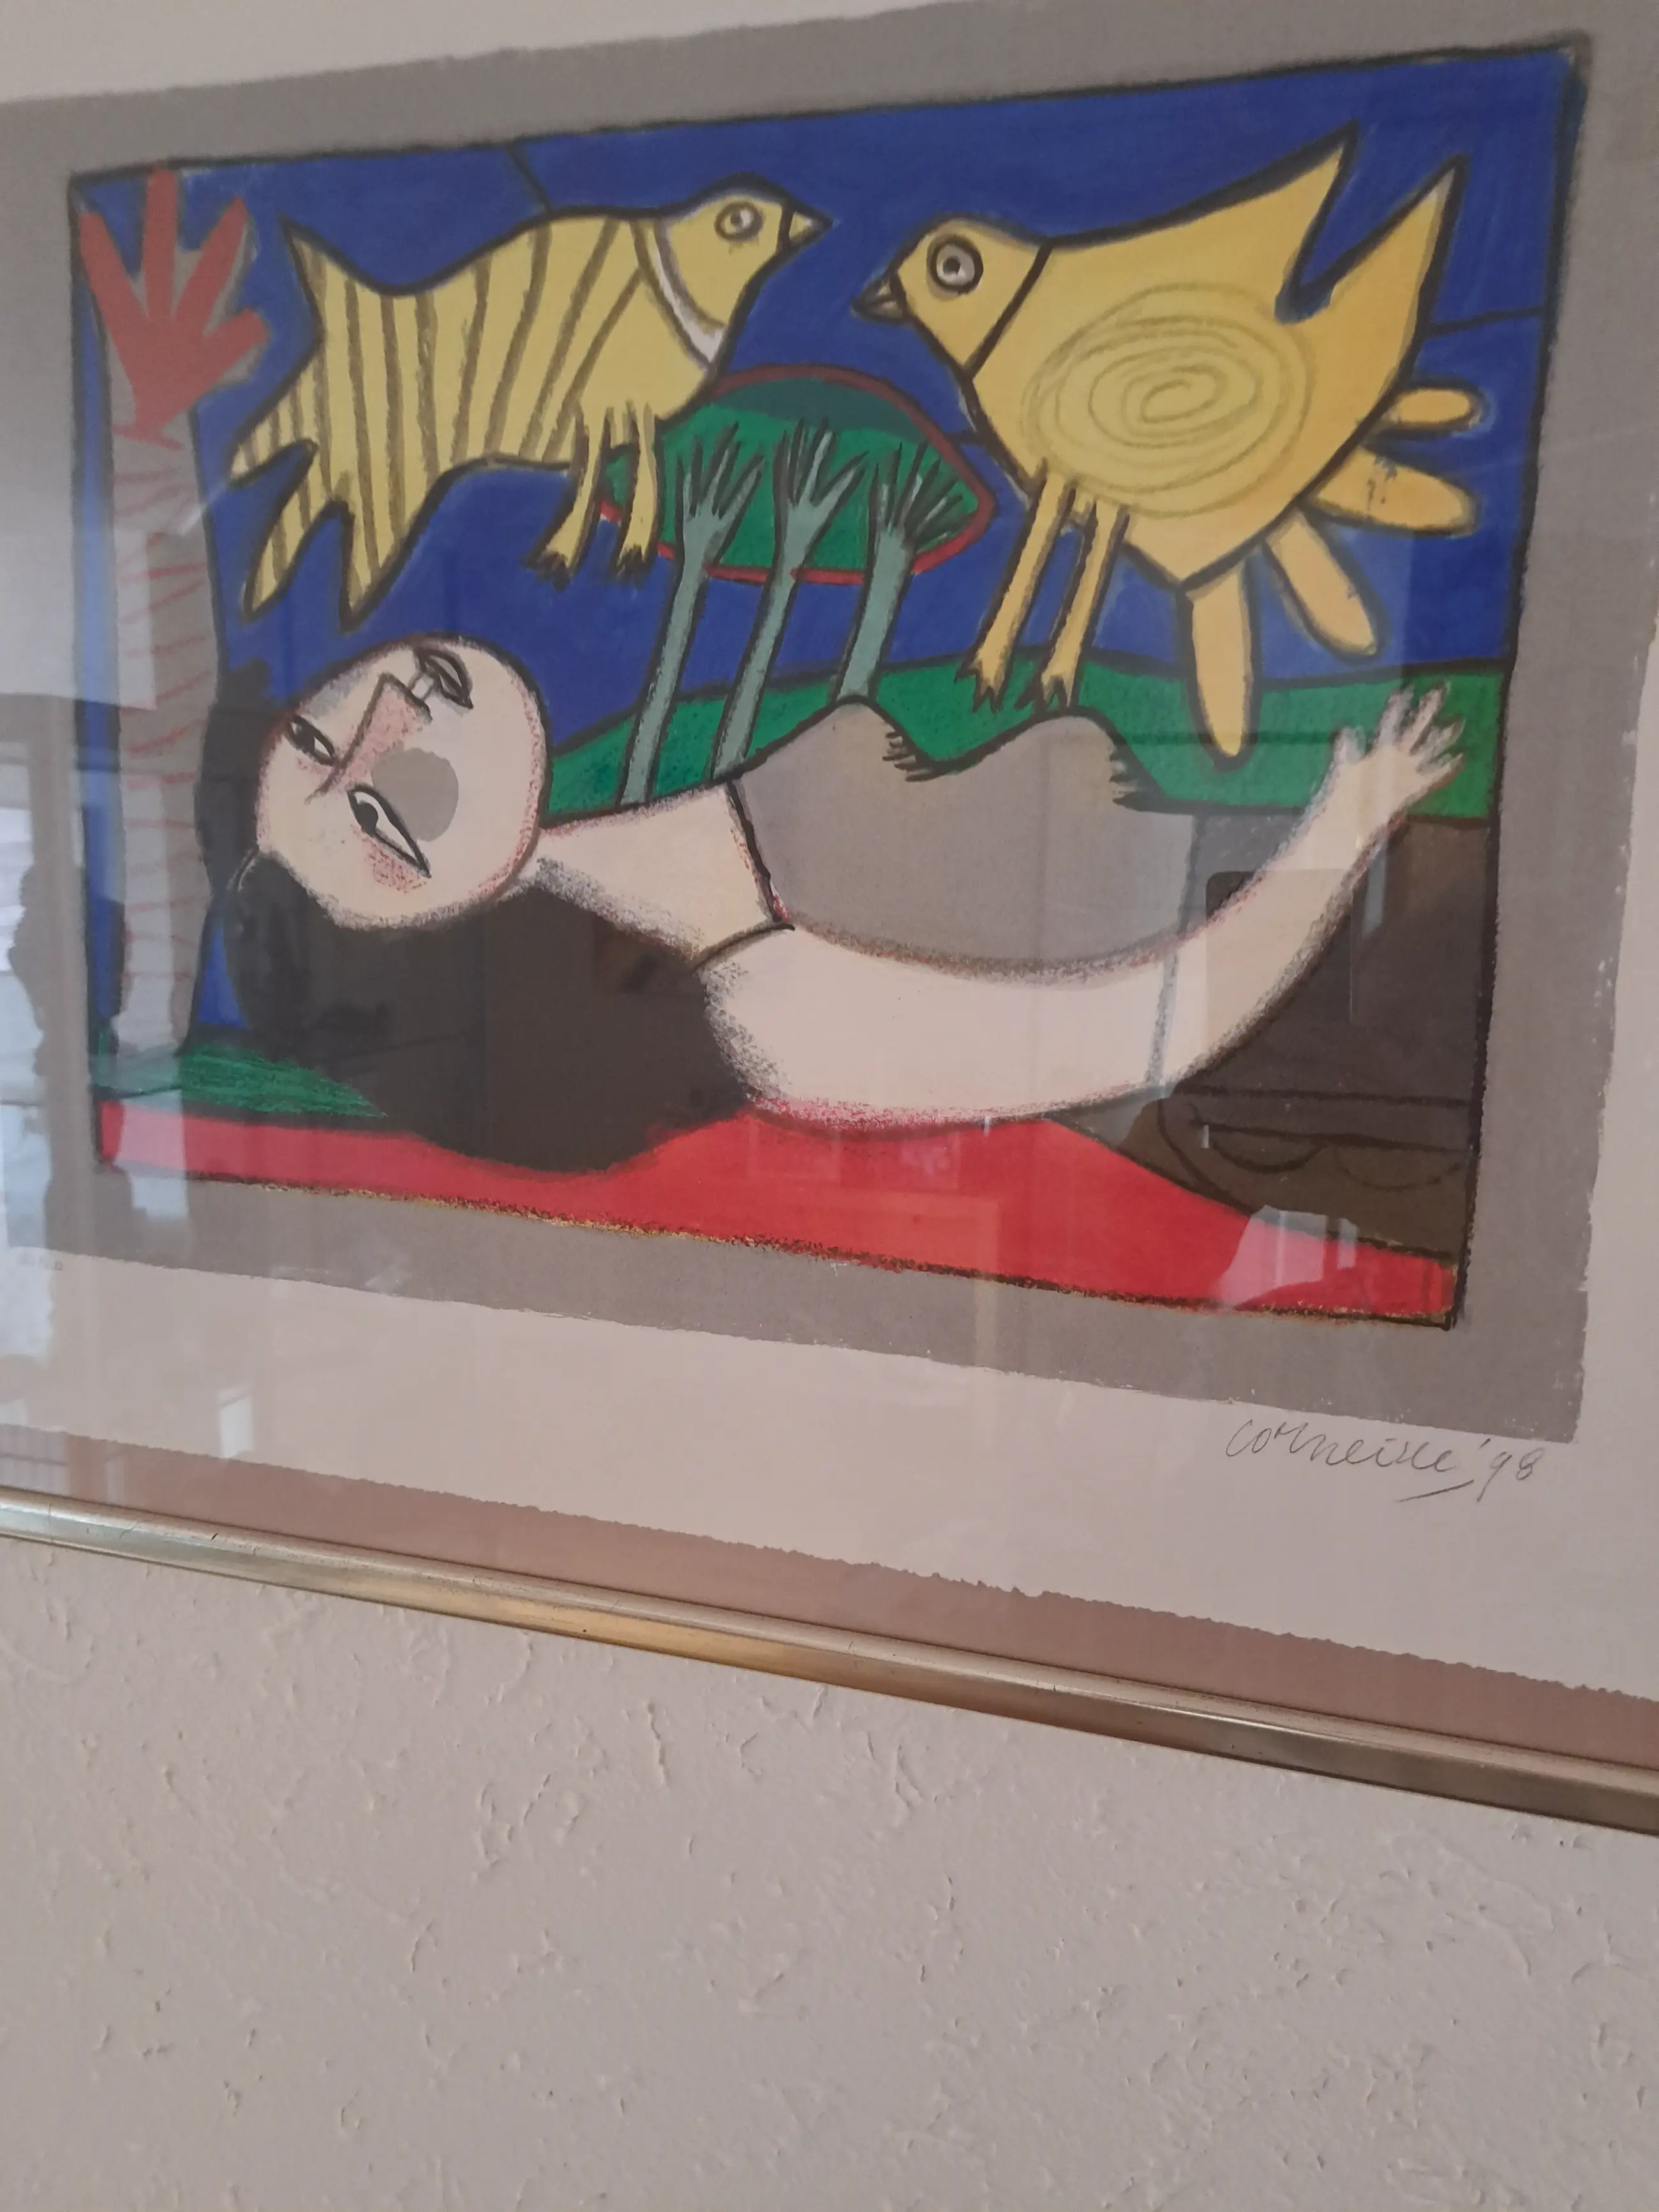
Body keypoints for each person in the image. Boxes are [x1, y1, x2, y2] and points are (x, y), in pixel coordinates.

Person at [199, 632, 1459, 1171]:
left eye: (313, 739)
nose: (388, 715)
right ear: (434, 932)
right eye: (377, 818)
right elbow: (1155, 1027)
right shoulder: (763, 1009)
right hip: (1299, 865)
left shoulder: (587, 854)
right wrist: (1351, 823)